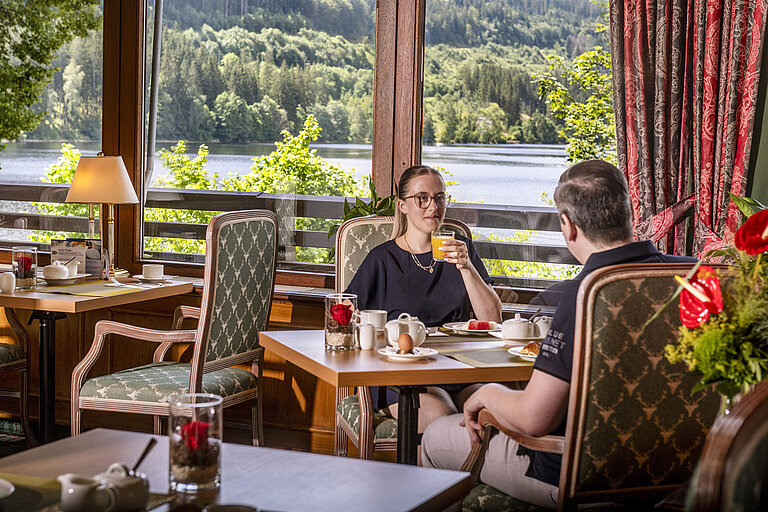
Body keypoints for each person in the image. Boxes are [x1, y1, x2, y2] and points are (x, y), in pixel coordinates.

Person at [420, 160, 695, 509]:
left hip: (577, 474)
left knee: (434, 436)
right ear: (627, 210)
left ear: (568, 226)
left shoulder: (587, 293)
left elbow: (534, 419)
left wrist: (487, 393)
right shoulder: (692, 277)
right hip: (675, 473)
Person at [345, 164, 502, 430]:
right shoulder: (382, 259)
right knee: (444, 415)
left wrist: (466, 268)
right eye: (422, 198)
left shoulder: (460, 251)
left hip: (456, 367)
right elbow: (343, 313)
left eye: (440, 197)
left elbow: (493, 319)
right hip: (400, 374)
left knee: (497, 410)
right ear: (403, 205)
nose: (433, 206)